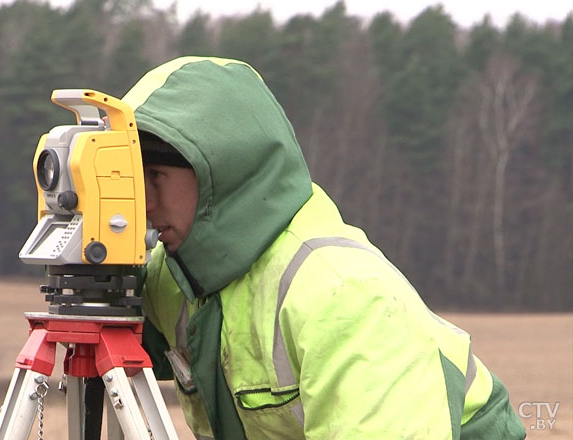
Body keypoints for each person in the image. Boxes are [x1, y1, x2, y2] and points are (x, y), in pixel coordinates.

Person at [122, 56, 526, 439]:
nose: (146, 202)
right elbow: (116, 348)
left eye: (156, 175)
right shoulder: (180, 276)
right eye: (134, 181)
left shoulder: (344, 296)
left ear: (222, 172)